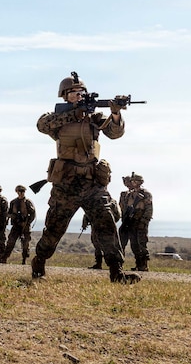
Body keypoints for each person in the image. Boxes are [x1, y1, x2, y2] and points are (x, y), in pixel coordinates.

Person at [31, 72, 140, 284]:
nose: (78, 96)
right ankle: (39, 261)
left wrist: (115, 113)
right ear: (65, 96)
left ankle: (117, 271)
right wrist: (75, 114)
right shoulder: (58, 118)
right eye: (73, 93)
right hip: (66, 183)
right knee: (55, 228)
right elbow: (42, 125)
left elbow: (115, 133)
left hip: (92, 183)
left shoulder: (95, 118)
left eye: (81, 92)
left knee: (106, 222)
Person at [119, 172, 154, 271]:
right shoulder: (129, 195)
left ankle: (144, 265)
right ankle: (138, 264)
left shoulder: (145, 194)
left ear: (139, 182)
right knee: (134, 244)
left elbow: (149, 209)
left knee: (141, 243)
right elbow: (125, 208)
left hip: (141, 222)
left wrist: (144, 221)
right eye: (132, 181)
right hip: (131, 222)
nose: (133, 183)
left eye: (135, 181)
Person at [2, 184, 36, 264]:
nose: (20, 193)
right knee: (11, 242)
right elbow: (9, 213)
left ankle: (24, 260)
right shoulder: (13, 202)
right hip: (16, 226)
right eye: (19, 191)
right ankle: (4, 258)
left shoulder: (28, 202)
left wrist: (27, 223)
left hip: (25, 226)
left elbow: (33, 214)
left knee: (25, 244)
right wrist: (12, 216)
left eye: (22, 191)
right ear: (16, 192)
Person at [85, 199, 119, 270]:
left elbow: (116, 215)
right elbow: (88, 213)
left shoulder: (111, 202)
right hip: (95, 225)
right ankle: (98, 263)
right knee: (96, 243)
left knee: (107, 245)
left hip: (105, 227)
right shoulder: (93, 201)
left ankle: (114, 265)